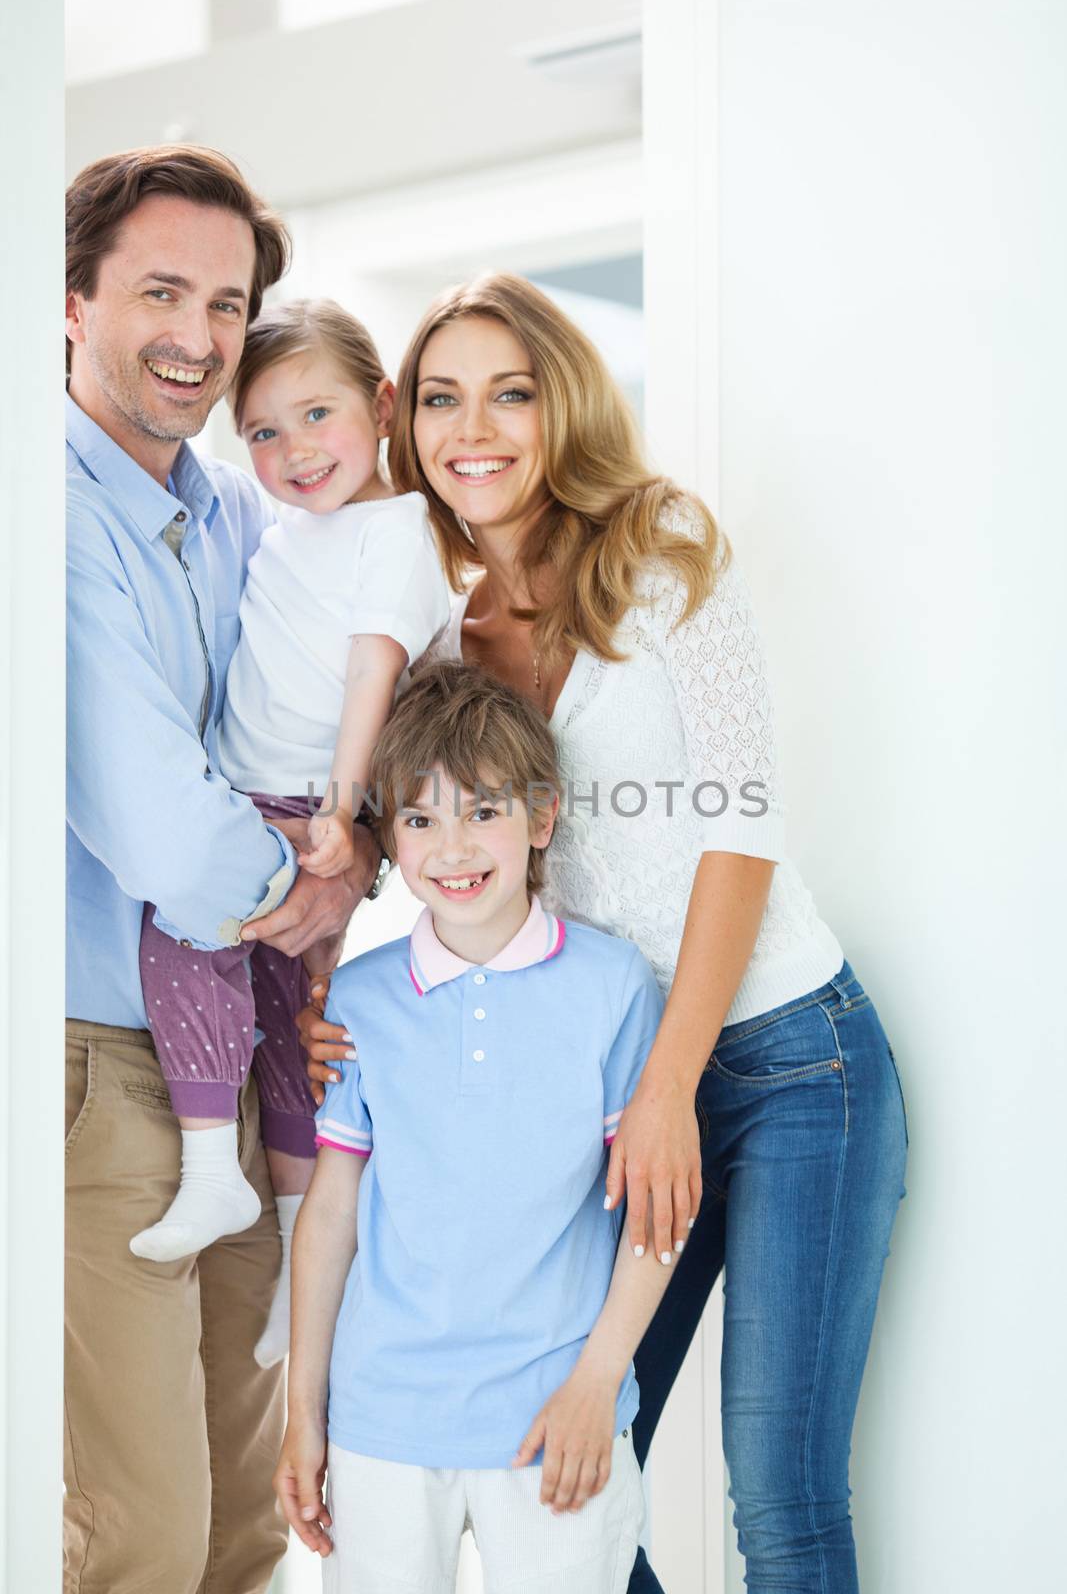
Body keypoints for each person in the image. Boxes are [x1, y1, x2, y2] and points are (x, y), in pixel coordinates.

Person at [300, 273, 909, 1593]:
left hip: (793, 1061)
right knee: (565, 1462)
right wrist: (317, 990)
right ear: (411, 427)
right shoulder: (429, 641)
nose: (478, 428)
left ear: (559, 404)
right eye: (446, 398)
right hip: (611, 1085)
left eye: (510, 392)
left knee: (780, 1495)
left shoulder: (657, 546)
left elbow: (739, 827)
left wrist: (669, 1089)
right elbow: (402, 845)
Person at [65, 147, 380, 1594]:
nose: (197, 336)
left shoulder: (239, 506)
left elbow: (321, 707)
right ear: (74, 300)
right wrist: (319, 881)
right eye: (159, 292)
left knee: (254, 1530)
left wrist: (366, 831)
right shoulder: (45, 514)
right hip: (95, 1074)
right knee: (142, 1536)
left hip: (241, 1059)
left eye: (226, 302)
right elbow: (168, 831)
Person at [278, 662, 677, 1593]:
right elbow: (330, 1220)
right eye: (418, 819)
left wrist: (596, 1386)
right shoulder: (361, 1002)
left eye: (482, 811)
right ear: (390, 839)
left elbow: (656, 1217)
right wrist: (304, 1414)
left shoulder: (614, 989)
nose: (452, 847)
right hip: (381, 1423)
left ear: (540, 820)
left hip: (556, 1424)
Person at [132, 298, 450, 1368]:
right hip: (259, 793)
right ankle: (290, 1256)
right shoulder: (286, 528)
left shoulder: (397, 533)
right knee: (288, 1027)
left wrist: (341, 806)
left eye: (317, 415)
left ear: (381, 405)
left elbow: (377, 668)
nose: (293, 449)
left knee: (186, 934)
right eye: (262, 431)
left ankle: (216, 1168)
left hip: (296, 807)